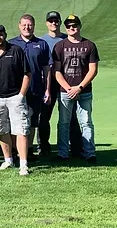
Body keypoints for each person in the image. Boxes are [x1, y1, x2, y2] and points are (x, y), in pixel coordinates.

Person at [0, 24, 32, 176]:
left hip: (16, 96)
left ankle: (23, 164)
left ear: (5, 34)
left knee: (21, 130)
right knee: (2, 129)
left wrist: (21, 95)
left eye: (0, 34)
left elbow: (27, 74)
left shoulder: (16, 50)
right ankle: (8, 160)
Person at [52, 14, 100, 163]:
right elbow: (56, 71)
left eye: (74, 25)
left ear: (79, 26)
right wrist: (68, 88)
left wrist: (79, 87)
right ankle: (63, 153)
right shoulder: (60, 46)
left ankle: (89, 153)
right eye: (68, 26)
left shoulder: (89, 45)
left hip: (84, 91)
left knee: (86, 122)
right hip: (65, 92)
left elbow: (93, 70)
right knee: (63, 123)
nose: (71, 28)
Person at [8, 14, 51, 160]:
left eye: (30, 25)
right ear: (19, 26)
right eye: (24, 25)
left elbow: (46, 69)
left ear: (34, 25)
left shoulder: (42, 44)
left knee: (32, 121)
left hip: (35, 89)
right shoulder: (11, 44)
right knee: (15, 120)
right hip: (15, 90)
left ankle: (28, 149)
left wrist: (47, 88)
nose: (27, 27)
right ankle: (15, 150)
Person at [39, 11, 80, 156]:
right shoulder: (41, 41)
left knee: (71, 117)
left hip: (66, 82)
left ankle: (75, 146)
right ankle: (43, 146)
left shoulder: (67, 38)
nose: (53, 23)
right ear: (46, 23)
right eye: (51, 21)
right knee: (44, 116)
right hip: (48, 83)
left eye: (56, 21)